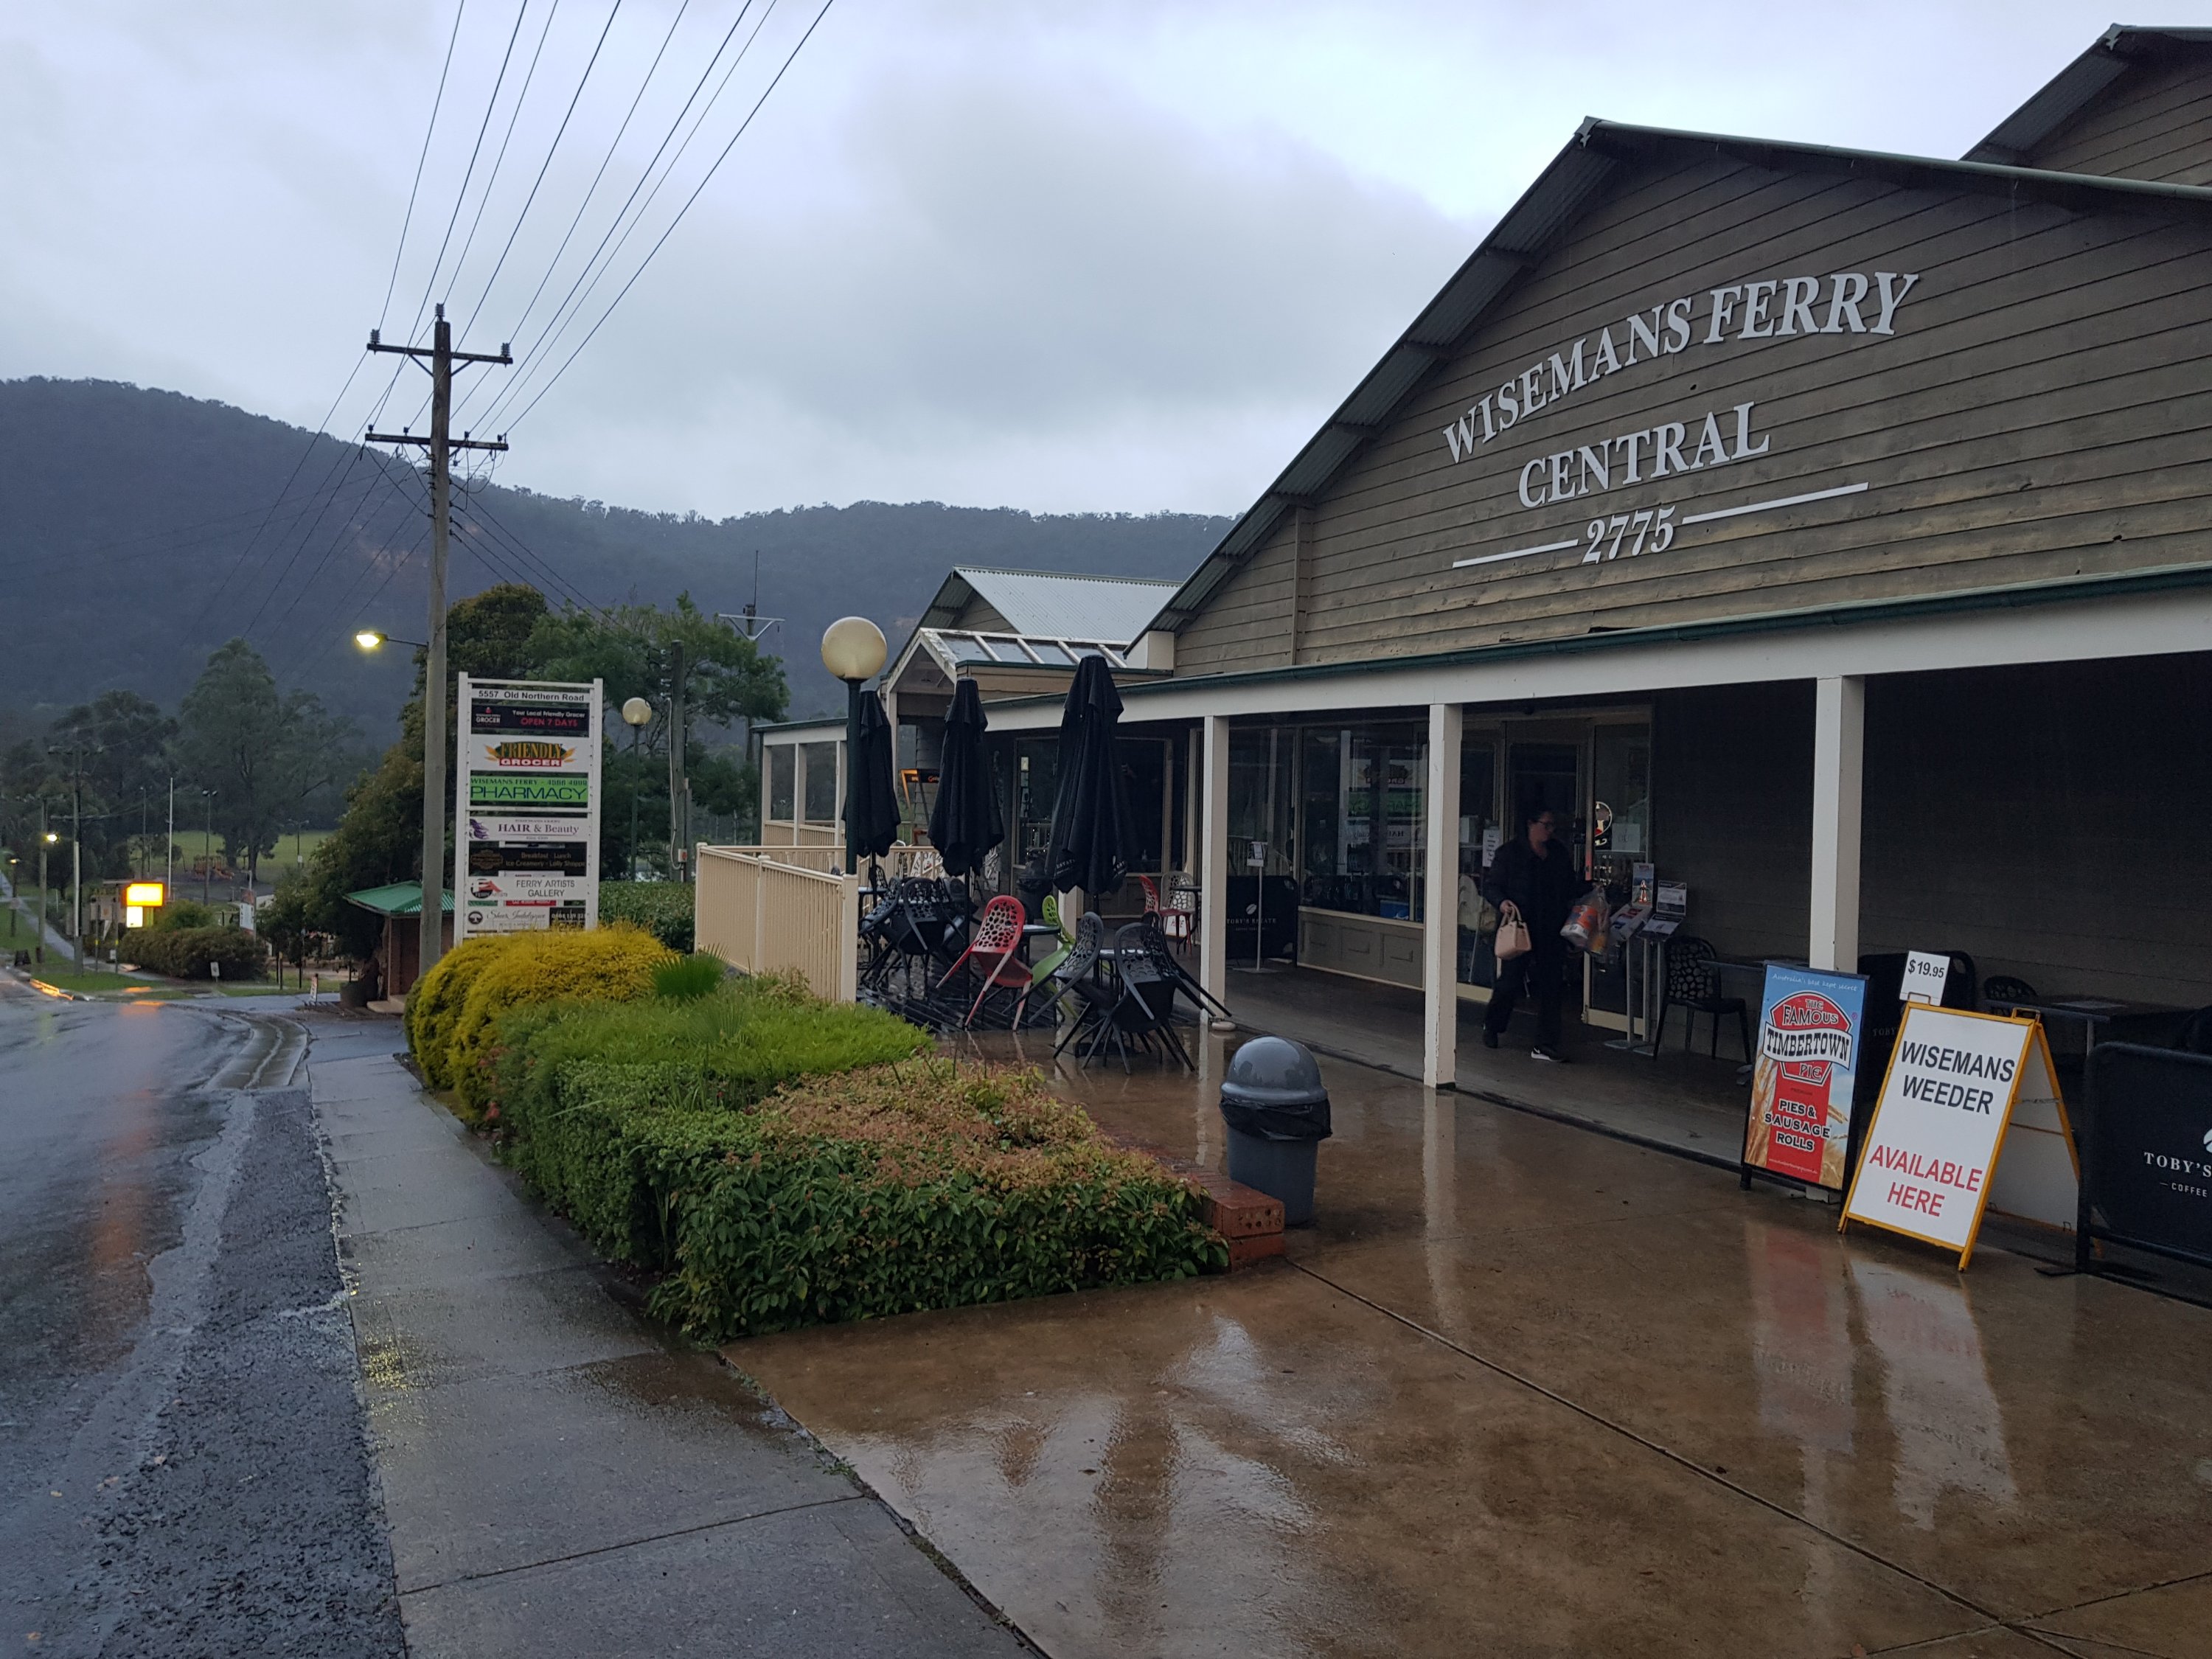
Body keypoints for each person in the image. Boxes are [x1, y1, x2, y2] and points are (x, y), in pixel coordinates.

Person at [1481, 807, 1580, 1062]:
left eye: (1552, 827)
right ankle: (1493, 1025)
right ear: (1530, 824)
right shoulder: (1510, 854)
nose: (1550, 831)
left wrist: (1589, 891)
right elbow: (1491, 885)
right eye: (1545, 825)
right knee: (1511, 981)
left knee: (1552, 985)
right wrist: (1502, 902)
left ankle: (1546, 1043)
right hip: (1521, 925)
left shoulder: (1557, 853)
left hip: (1551, 926)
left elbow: (1570, 884)